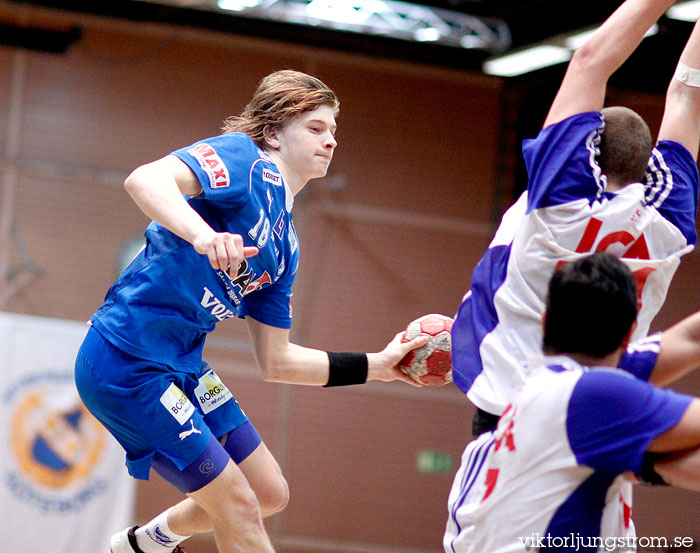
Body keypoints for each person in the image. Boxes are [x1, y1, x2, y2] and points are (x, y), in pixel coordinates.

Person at [74, 70, 427, 553]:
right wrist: (201, 234)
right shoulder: (244, 159)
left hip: (185, 365)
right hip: (126, 360)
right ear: (274, 133)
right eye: (316, 128)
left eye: (334, 131)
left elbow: (277, 361)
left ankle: (147, 543)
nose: (331, 141)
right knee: (237, 504)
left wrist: (379, 367)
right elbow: (145, 179)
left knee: (266, 492)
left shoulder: (285, 246)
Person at [446, 0, 700, 550]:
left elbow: (589, 61)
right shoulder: (667, 229)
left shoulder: (556, 204)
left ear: (582, 150)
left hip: (518, 413)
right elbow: (687, 93)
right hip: (595, 399)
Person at [457, 252, 700, 552]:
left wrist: (654, 464)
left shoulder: (544, 387)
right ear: (628, 335)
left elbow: (692, 339)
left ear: (544, 323)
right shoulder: (594, 396)